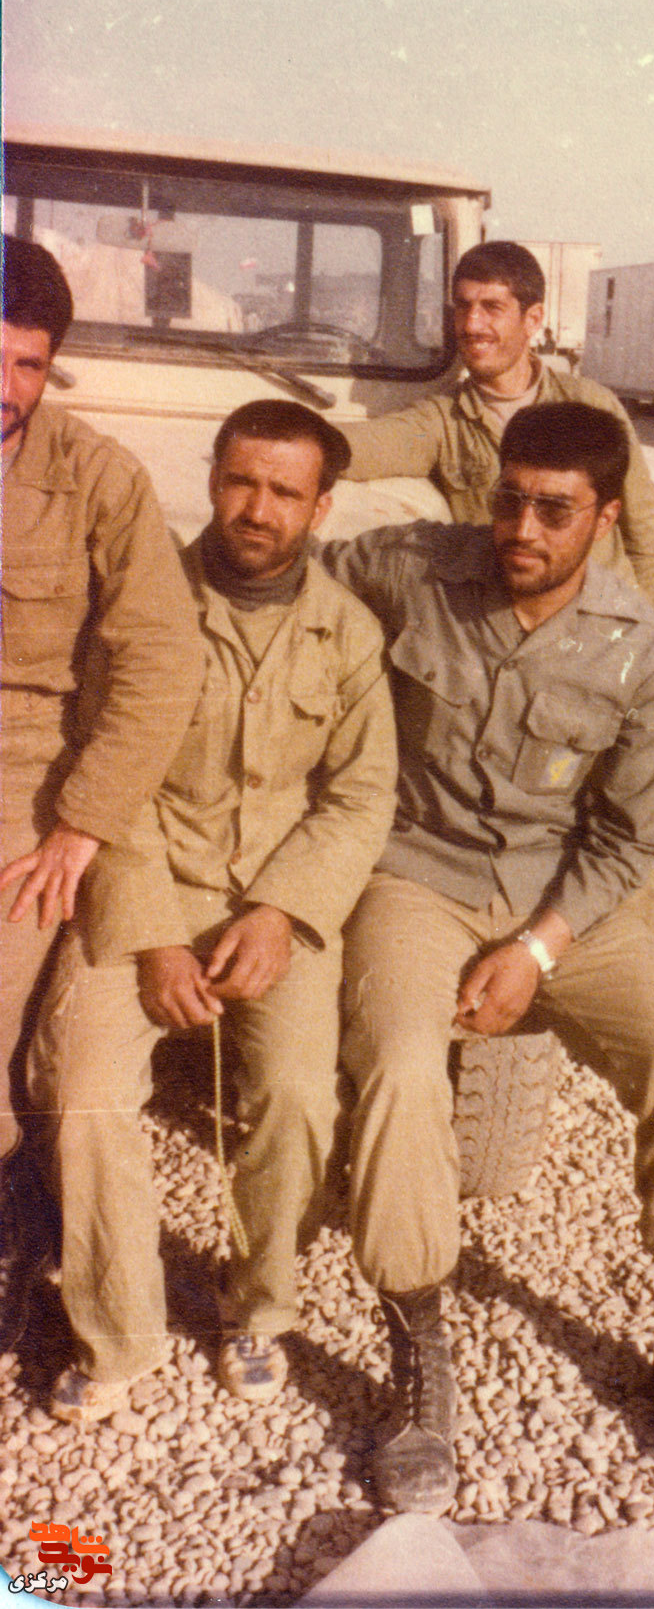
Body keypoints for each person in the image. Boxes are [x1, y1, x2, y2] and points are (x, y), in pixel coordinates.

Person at [322, 400, 654, 1515]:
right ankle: (419, 1348)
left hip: (570, 902)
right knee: (401, 1068)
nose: (521, 528)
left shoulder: (641, 651)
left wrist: (535, 949)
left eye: (554, 511)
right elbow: (280, 574)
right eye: (509, 499)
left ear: (604, 518)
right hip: (417, 875)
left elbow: (630, 841)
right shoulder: (415, 567)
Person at [26, 399, 397, 1424]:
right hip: (146, 884)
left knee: (298, 1096)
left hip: (277, 902)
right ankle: (118, 1332)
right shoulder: (142, 611)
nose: (257, 509)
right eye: (240, 482)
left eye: (284, 491)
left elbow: (361, 795)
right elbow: (107, 775)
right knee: (81, 1087)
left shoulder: (347, 632)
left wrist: (283, 910)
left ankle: (259, 1305)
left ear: (322, 506)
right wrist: (151, 936)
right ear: (213, 480)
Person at [1, 235, 205, 1309]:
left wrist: (82, 821)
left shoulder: (96, 480)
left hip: (27, 776)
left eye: (29, 365)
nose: (6, 387)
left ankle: (21, 1224)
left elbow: (162, 658)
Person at [341, 240, 654, 616]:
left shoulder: (592, 405)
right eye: (462, 306)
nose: (471, 324)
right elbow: (360, 446)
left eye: (491, 308)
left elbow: (644, 533)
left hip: (599, 619)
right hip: (508, 620)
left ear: (533, 319)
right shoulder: (443, 421)